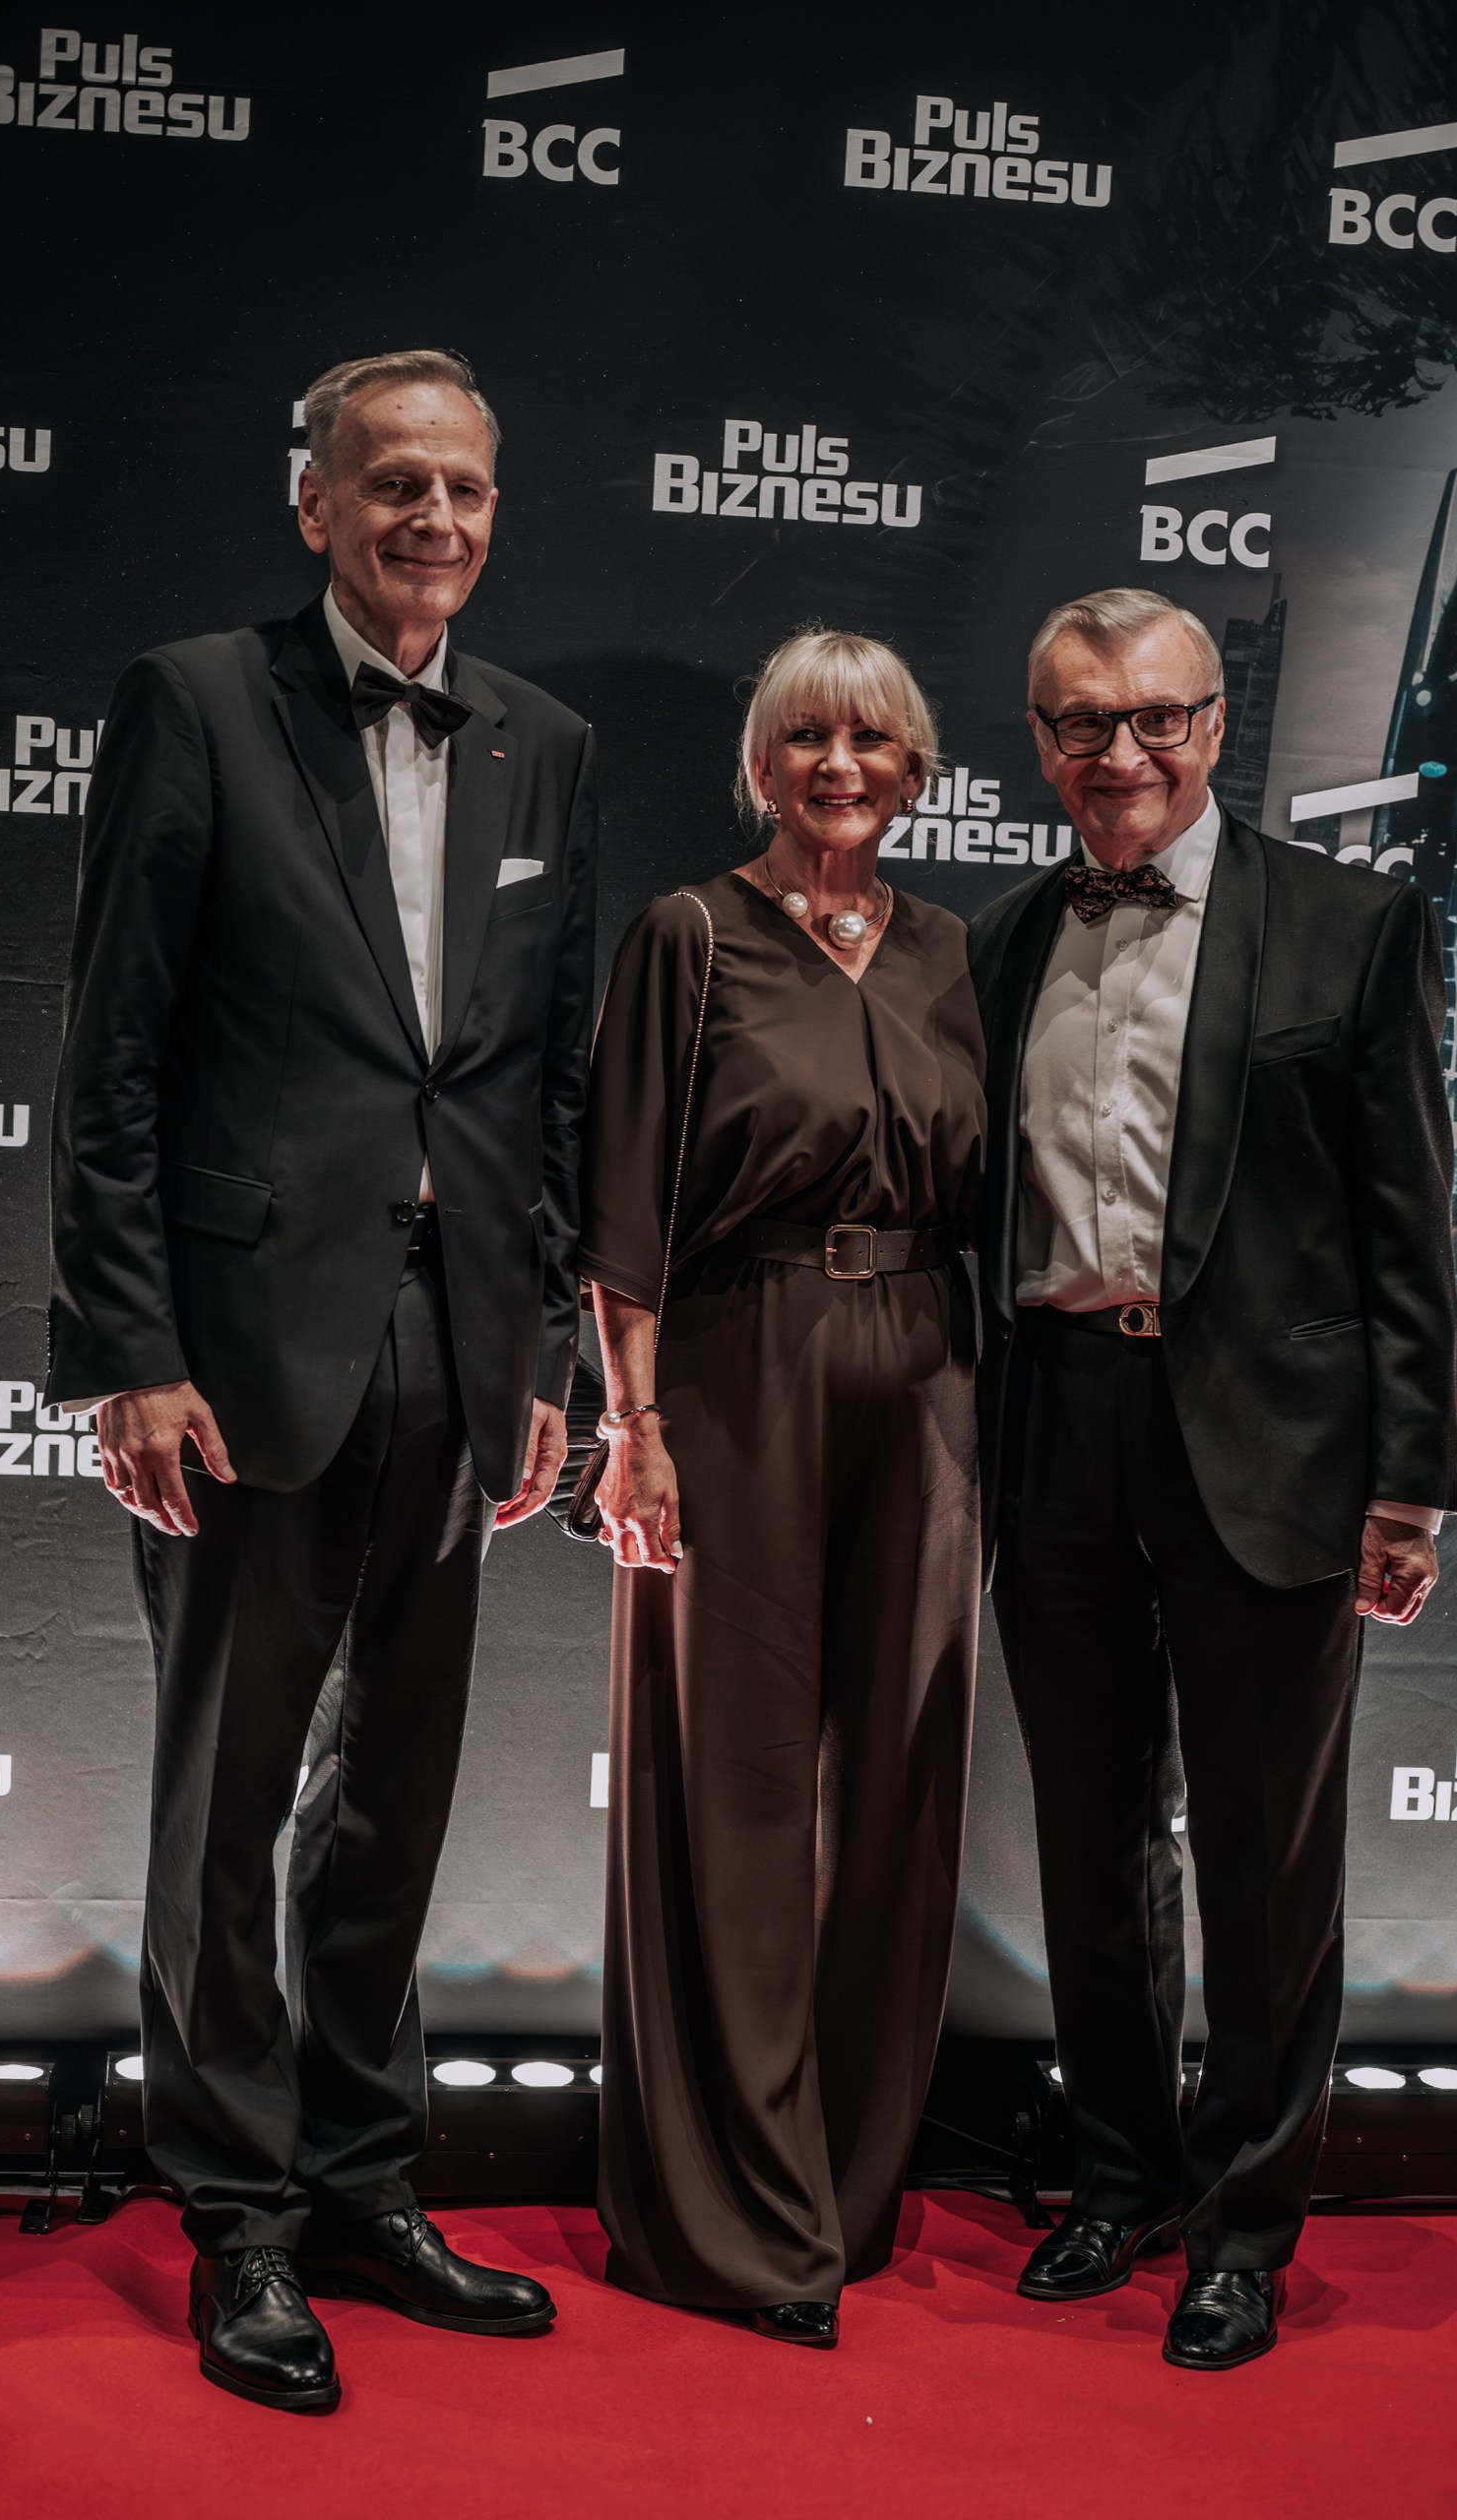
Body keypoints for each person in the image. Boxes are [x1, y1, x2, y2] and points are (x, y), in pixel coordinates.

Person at [45, 348, 597, 2413]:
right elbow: (109, 1060)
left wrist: (542, 1349)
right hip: (246, 1355)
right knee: (229, 1803)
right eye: (393, 483)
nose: (433, 518)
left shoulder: (546, 742)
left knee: (395, 1796)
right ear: (314, 503)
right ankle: (237, 2212)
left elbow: (543, 1087)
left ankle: (364, 2178)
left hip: (460, 1354)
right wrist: (129, 1352)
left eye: (464, 487)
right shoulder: (196, 701)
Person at [970, 587, 1457, 2371]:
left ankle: (1245, 2225)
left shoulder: (1347, 922)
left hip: (1277, 1448)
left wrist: (1407, 1484)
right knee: (1091, 1840)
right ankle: (1121, 2176)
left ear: (1215, 725)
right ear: (1041, 739)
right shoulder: (998, 941)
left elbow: (1408, 1226)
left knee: (1264, 1858)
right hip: (1056, 1430)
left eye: (1156, 717)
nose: (1122, 753)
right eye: (1082, 722)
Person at [580, 630, 984, 2347]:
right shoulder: (689, 935)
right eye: (806, 735)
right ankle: (729, 2213)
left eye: (872, 739)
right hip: (734, 1368)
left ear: (917, 770)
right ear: (758, 764)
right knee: (730, 1786)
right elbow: (621, 1212)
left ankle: (849, 2178)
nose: (840, 765)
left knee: (901, 1777)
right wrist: (634, 1425)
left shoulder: (955, 948)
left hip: (931, 1371)